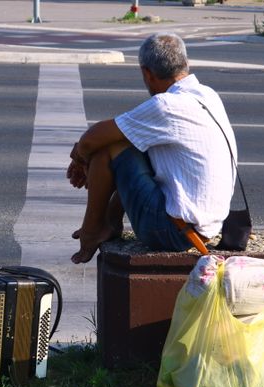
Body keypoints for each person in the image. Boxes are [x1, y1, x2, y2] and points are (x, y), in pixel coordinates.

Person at [67, 33, 237, 264]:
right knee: (129, 141)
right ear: (185, 64)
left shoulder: (166, 105)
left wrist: (80, 159)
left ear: (147, 73)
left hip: (173, 233)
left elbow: (91, 140)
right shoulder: (208, 95)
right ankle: (110, 221)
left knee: (109, 148)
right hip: (203, 228)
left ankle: (93, 228)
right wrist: (84, 157)